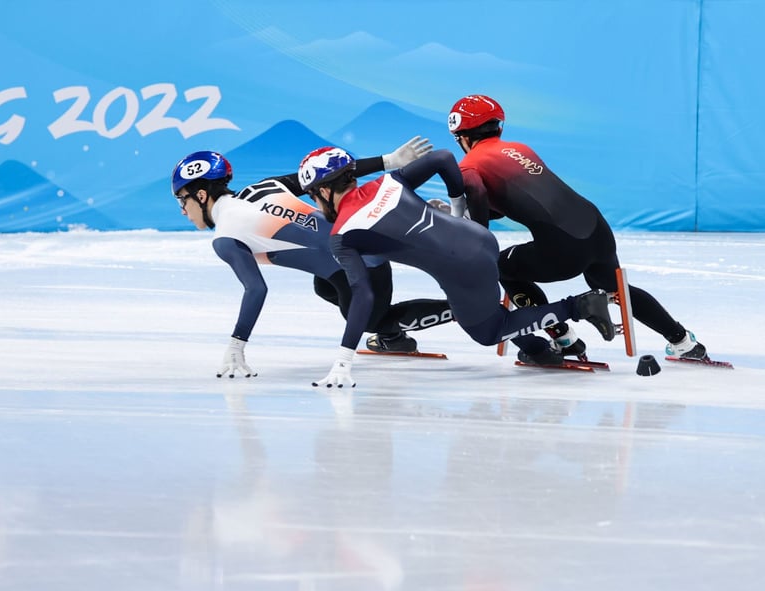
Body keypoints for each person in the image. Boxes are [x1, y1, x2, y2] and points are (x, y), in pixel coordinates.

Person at [296, 145, 616, 388]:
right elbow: (443, 157)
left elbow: (363, 296)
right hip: (480, 238)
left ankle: (580, 306)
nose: (315, 203)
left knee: (488, 331)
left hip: (462, 267)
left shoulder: (343, 234)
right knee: (479, 309)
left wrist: (343, 360)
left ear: (323, 190)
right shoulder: (387, 182)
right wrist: (457, 206)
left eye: (312, 196)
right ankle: (537, 349)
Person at [448, 94, 707, 362]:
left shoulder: (469, 166)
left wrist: (467, 235)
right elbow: (513, 200)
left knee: (502, 267)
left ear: (462, 136)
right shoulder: (519, 149)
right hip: (596, 229)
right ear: (498, 127)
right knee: (614, 286)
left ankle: (565, 340)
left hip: (563, 246)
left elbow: (480, 212)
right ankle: (684, 342)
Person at [171, 139, 456, 379]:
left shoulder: (225, 236)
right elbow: (327, 173)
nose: (183, 210)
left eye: (182, 200)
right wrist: (389, 160)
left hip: (358, 262)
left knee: (370, 321)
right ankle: (392, 336)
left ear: (201, 195)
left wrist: (236, 345)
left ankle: (459, 309)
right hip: (354, 249)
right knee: (324, 287)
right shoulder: (262, 187)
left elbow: (256, 289)